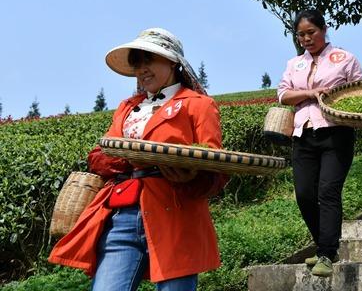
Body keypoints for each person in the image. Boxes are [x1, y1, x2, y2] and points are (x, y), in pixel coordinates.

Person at [49, 28, 229, 290]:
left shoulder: (198, 104)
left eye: (150, 60)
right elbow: (100, 155)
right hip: (121, 214)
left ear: (173, 62)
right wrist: (134, 158)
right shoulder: (127, 107)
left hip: (176, 215)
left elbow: (215, 164)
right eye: (137, 62)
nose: (142, 69)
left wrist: (190, 176)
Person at [277, 9, 362, 277]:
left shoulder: (344, 58)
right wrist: (310, 93)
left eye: (311, 32)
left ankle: (326, 252)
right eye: (301, 34)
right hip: (303, 134)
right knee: (304, 194)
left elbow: (359, 91)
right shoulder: (295, 64)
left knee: (327, 191)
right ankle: (325, 246)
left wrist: (336, 98)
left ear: (324, 29)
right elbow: (283, 94)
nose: (306, 38)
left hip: (336, 133)